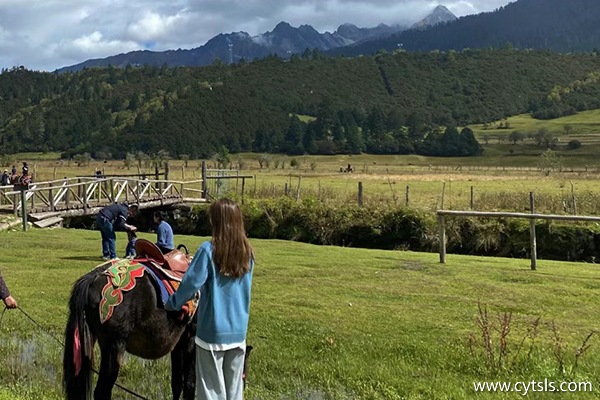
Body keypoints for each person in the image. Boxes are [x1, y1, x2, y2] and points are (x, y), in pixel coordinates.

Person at [166, 198, 254, 400]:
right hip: (239, 333)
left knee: (211, 393)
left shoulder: (208, 250)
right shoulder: (247, 252)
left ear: (216, 221)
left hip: (212, 334)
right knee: (234, 393)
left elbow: (190, 285)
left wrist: (172, 303)